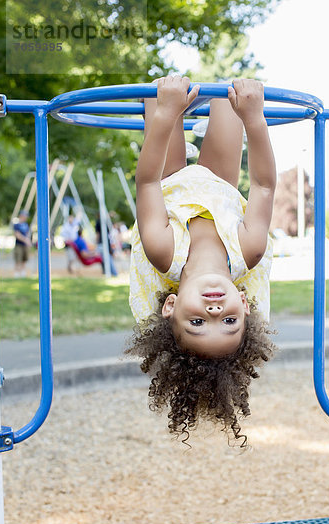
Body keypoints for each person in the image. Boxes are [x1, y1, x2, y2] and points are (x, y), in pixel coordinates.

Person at [126, 76, 277, 446]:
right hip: (219, 181)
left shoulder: (163, 252)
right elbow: (263, 186)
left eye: (196, 321)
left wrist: (165, 114)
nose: (214, 311)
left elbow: (146, 185)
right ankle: (213, 115)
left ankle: (172, 110)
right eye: (229, 320)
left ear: (171, 305)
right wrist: (255, 120)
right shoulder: (249, 250)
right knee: (230, 95)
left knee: (161, 93)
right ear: (243, 303)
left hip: (169, 179)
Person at [13, 210, 32, 278]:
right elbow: (17, 234)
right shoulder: (16, 225)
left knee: (24, 259)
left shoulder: (26, 225)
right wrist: (25, 240)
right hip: (19, 244)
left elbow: (27, 234)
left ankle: (23, 272)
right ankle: (17, 273)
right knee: (18, 259)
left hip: (25, 245)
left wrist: (28, 241)